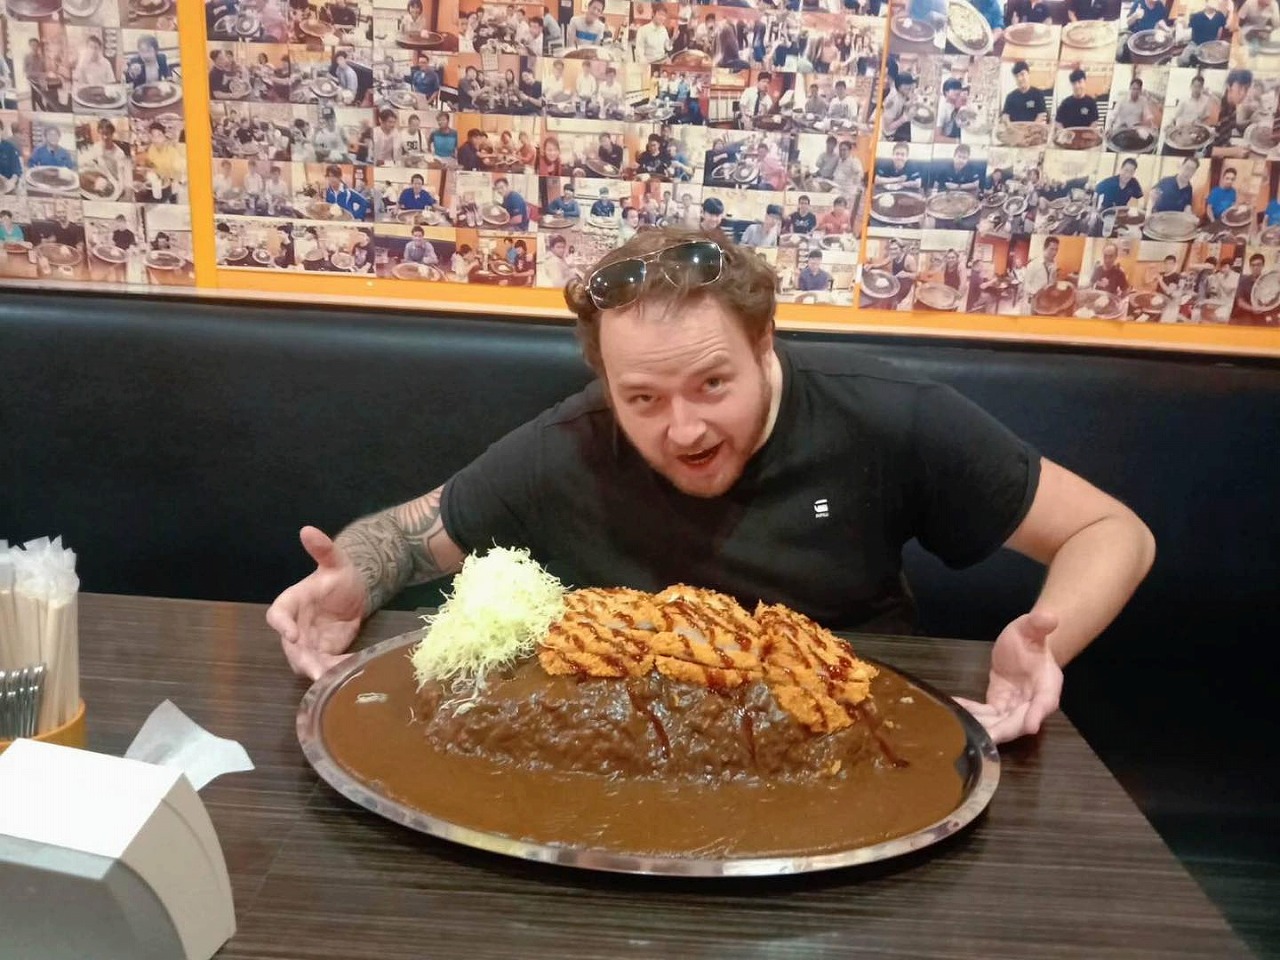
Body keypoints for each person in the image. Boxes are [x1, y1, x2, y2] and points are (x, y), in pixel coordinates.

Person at [267, 227, 1156, 747]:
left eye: (712, 384)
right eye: (643, 399)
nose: (683, 428)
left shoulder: (892, 418)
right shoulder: (568, 444)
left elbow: (1112, 532)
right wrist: (352, 580)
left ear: (765, 343)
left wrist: (1047, 638)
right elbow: (405, 536)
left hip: (851, 725)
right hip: (635, 742)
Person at [1178, 0, 1226, 66]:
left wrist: (1232, 10)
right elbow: (1186, 27)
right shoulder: (1196, 16)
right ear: (1206, 2)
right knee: (1183, 60)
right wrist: (1183, 18)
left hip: (1210, 46)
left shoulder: (1220, 16)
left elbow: (1220, 32)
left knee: (1211, 64)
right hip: (1195, 44)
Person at [1022, 236, 1059, 305]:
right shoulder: (1033, 264)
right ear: (1044, 248)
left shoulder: (1055, 264)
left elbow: (1053, 281)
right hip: (1035, 299)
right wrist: (1036, 293)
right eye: (1052, 249)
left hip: (1047, 299)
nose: (1054, 252)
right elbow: (1025, 284)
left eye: (1056, 249)